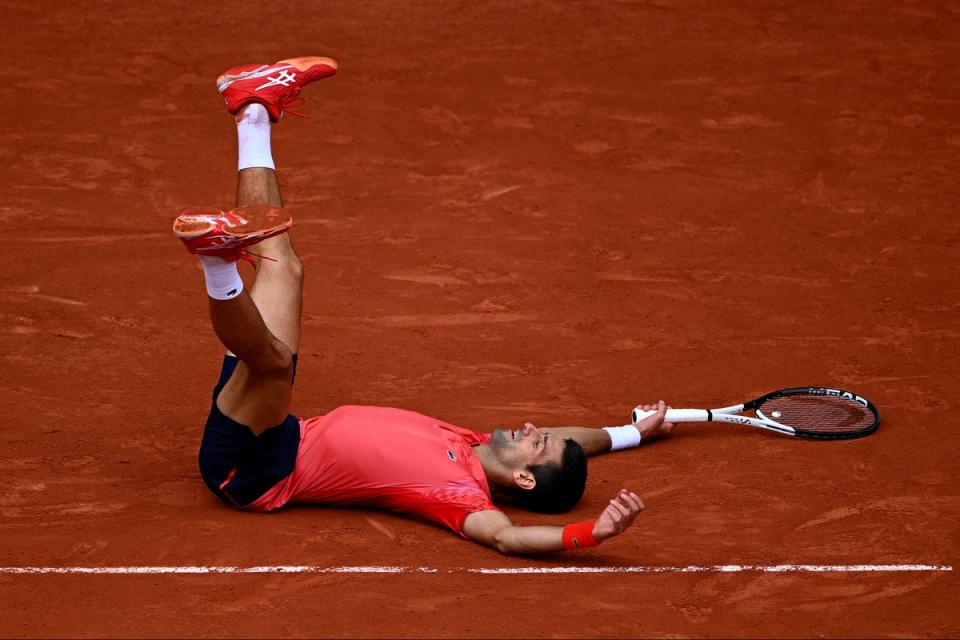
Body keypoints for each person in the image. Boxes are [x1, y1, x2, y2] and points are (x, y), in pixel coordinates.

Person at [173, 56, 675, 555]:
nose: (531, 427)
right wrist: (629, 431)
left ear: (524, 478)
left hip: (254, 468)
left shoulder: (460, 495)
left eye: (536, 443)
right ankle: (253, 106)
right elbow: (572, 441)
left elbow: (509, 537)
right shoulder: (473, 441)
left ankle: (217, 264)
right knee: (282, 263)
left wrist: (595, 532)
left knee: (275, 361)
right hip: (277, 429)